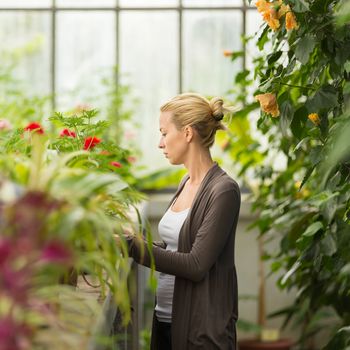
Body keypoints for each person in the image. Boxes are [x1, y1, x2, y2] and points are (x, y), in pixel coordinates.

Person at [126, 93, 241, 350]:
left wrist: (134, 247)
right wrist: (137, 241)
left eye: (164, 133)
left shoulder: (223, 191)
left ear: (187, 133)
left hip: (200, 332)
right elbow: (177, 248)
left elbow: (196, 264)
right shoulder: (185, 183)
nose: (160, 143)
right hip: (165, 320)